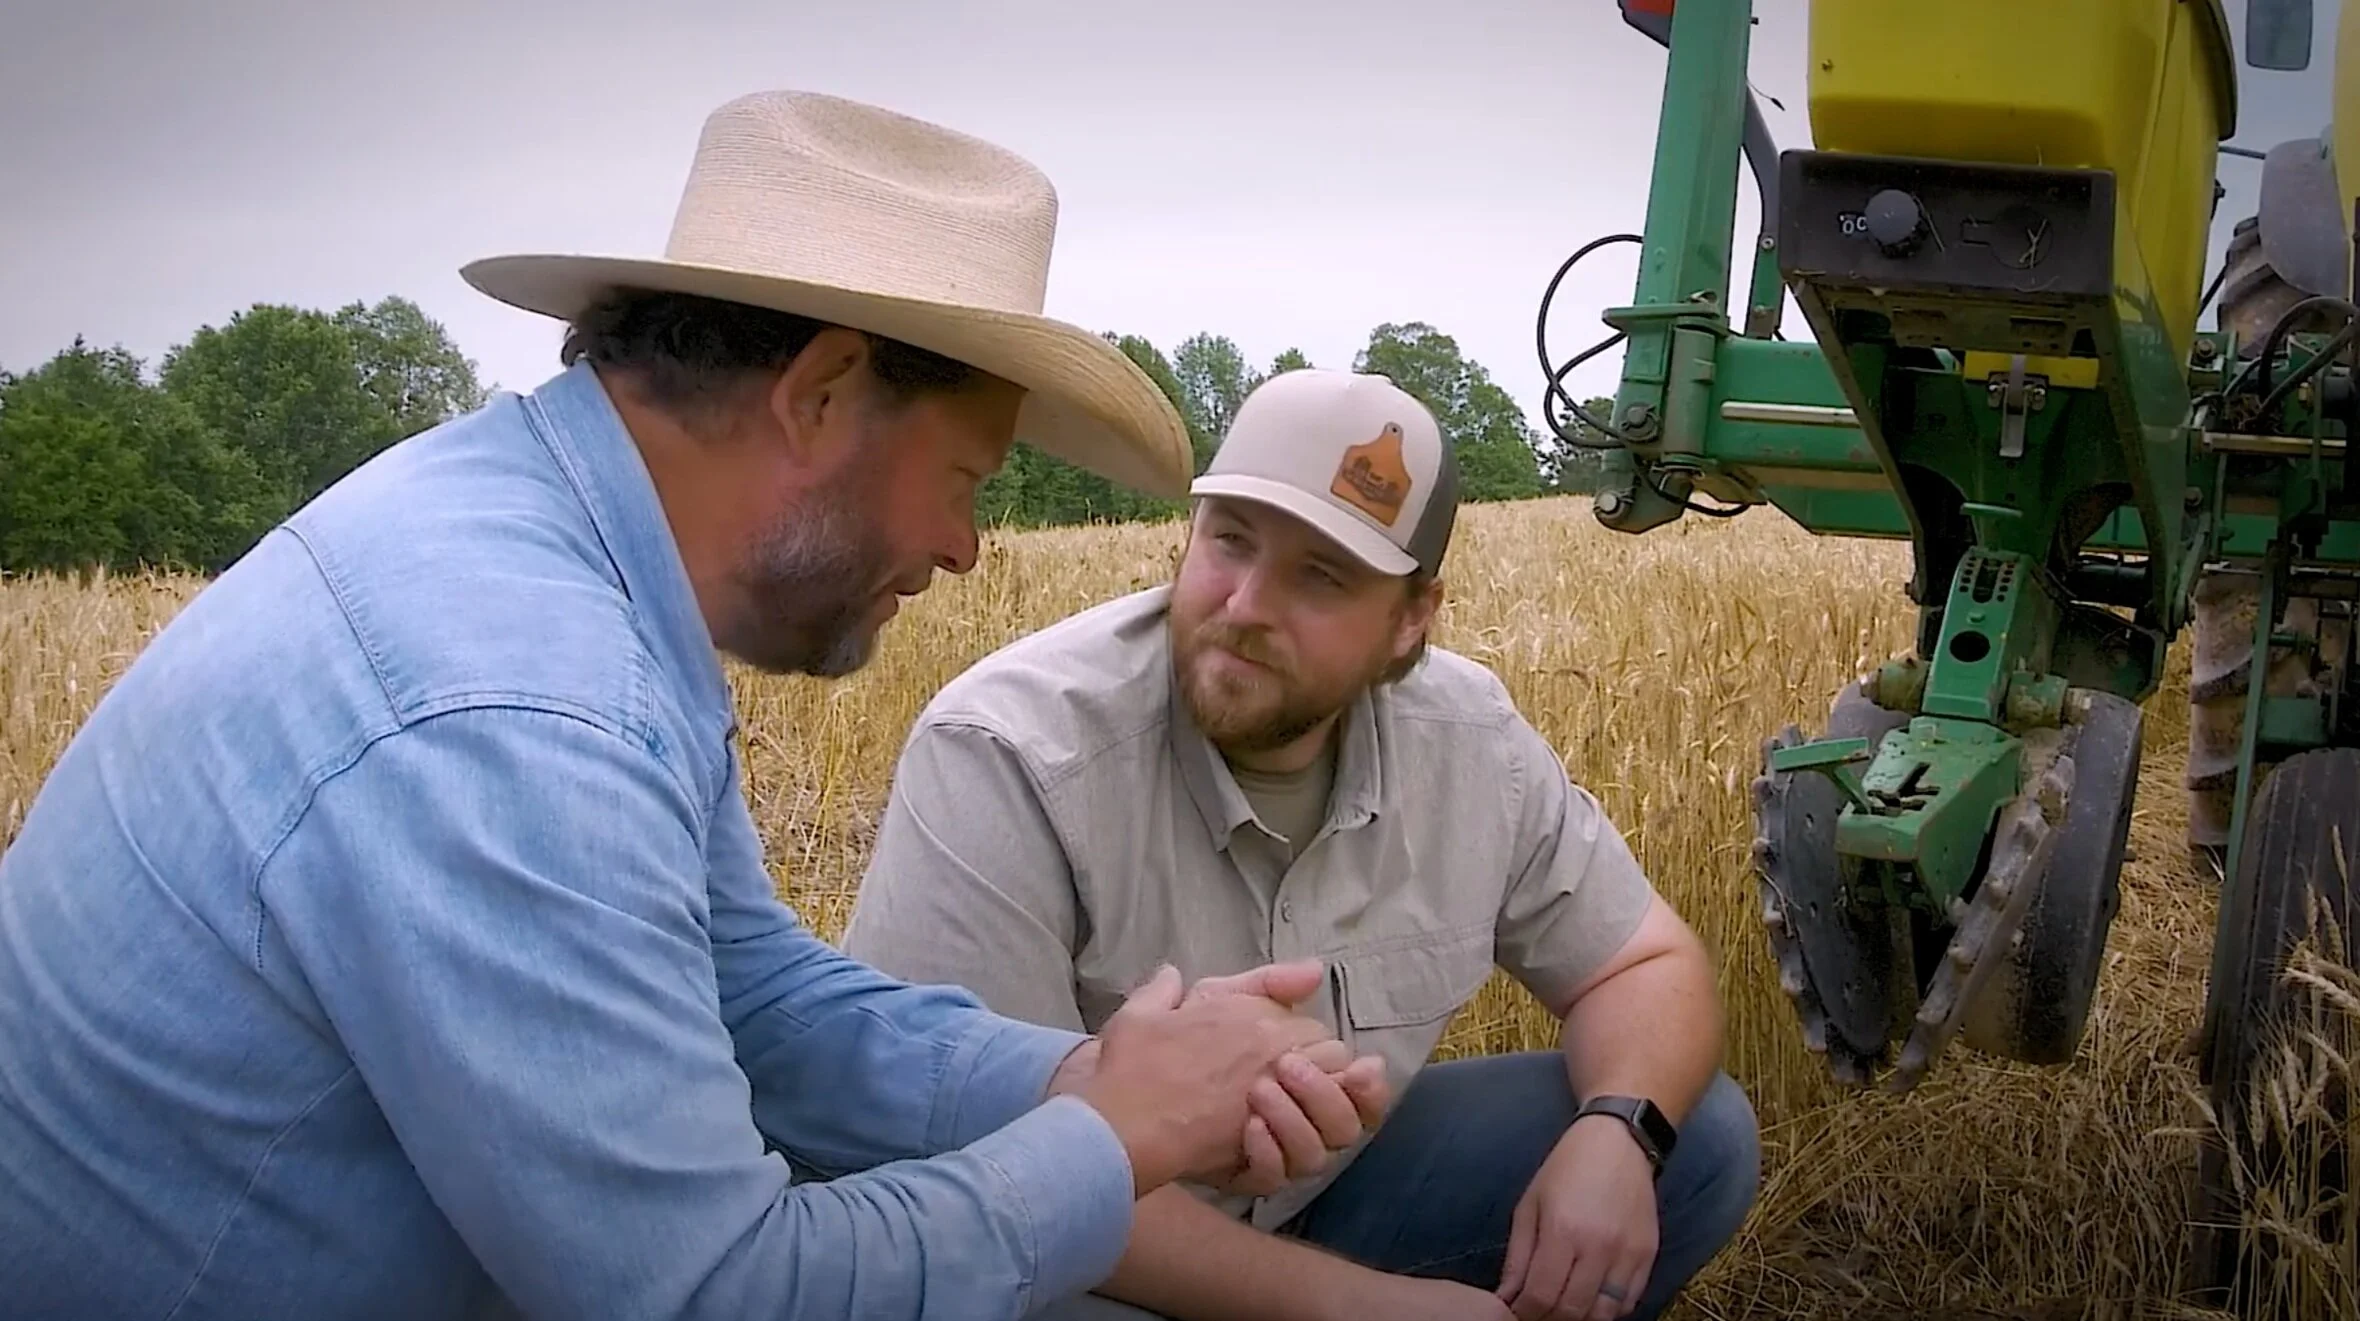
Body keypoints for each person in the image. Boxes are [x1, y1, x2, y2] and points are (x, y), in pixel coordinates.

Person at [0, 90, 1391, 1321]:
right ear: (825, 391)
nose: (969, 548)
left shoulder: (558, 558)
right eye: (968, 478)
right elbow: (717, 1290)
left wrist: (1100, 1070)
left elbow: (754, 997)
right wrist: (1113, 1135)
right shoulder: (520, 706)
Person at [843, 367, 1763, 1321]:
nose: (1244, 604)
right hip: (1065, 1251)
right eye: (1229, 541)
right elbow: (994, 1177)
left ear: (1412, 620)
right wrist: (1364, 1308)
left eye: (1320, 575)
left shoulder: (1472, 744)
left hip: (1322, 1204)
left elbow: (1647, 962)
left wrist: (1618, 1135)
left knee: (1694, 1142)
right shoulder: (1010, 753)